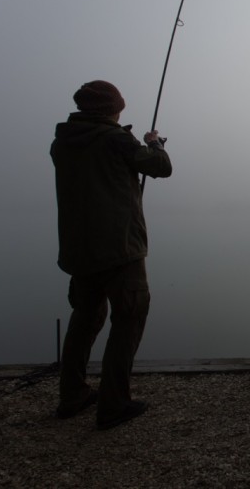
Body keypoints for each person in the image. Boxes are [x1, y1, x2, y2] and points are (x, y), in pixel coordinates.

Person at [50, 80, 172, 429]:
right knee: (129, 318)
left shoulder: (62, 142)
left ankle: (72, 395)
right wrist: (155, 143)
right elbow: (161, 167)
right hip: (120, 248)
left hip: (79, 249)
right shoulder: (117, 139)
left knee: (85, 317)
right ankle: (114, 404)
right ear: (111, 109)